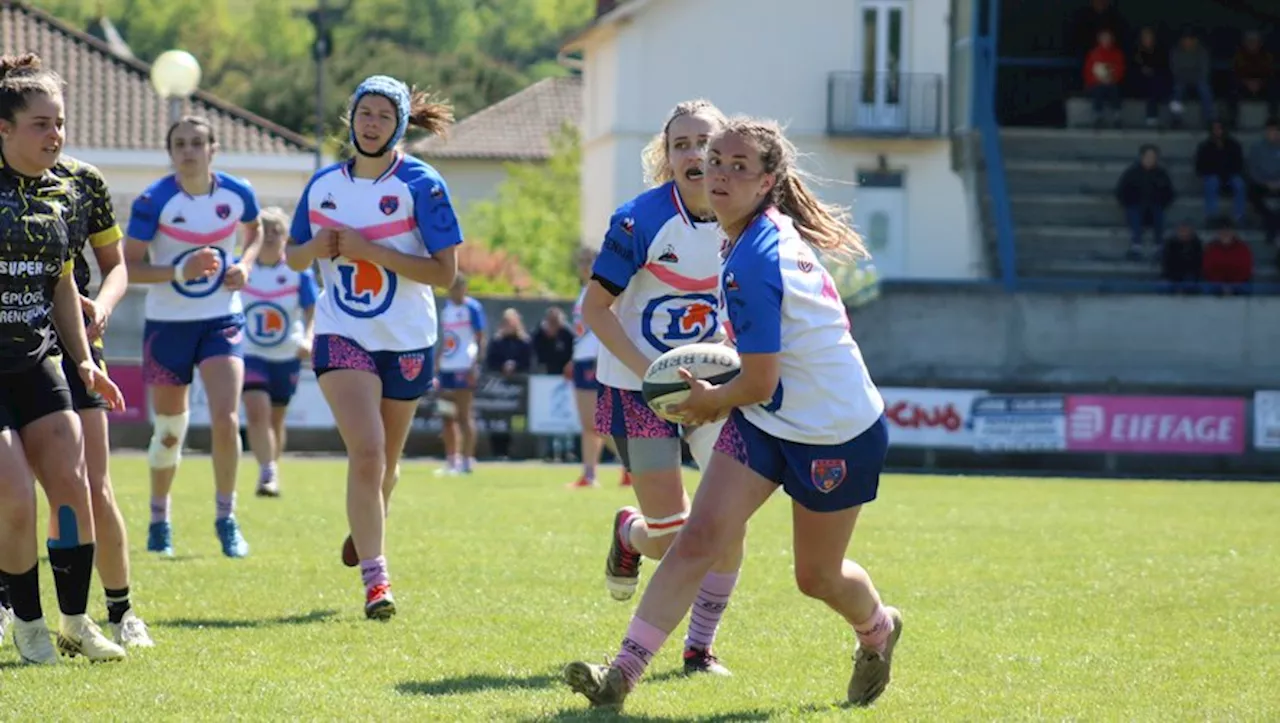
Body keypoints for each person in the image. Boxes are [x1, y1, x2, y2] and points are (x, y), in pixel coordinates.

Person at [563, 116, 900, 711]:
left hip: (834, 432)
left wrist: (703, 401)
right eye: (715, 160)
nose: (717, 173)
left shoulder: (754, 257)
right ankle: (619, 675)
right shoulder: (739, 236)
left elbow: (760, 378)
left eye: (737, 166)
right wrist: (714, 394)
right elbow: (761, 377)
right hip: (768, 419)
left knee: (816, 578)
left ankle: (878, 630)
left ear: (768, 181)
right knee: (697, 539)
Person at [287, 75, 460, 619]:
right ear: (350, 117)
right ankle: (377, 581)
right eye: (365, 112)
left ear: (400, 125)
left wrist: (370, 250)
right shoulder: (322, 186)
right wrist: (315, 247)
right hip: (341, 333)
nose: (372, 122)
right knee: (367, 451)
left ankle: (365, 527)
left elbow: (445, 275)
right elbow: (293, 258)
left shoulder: (422, 184)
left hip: (408, 339)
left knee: (386, 463)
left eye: (385, 115)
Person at [580, 99, 742, 676]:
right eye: (682, 145)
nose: (695, 154)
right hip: (636, 386)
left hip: (718, 385)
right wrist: (653, 375)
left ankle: (699, 650)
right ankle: (631, 533)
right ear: (666, 156)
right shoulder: (639, 219)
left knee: (727, 522)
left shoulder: (747, 216)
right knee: (674, 534)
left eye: (706, 143)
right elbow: (595, 308)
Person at [0, 52, 128, 663]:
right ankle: (26, 623)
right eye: (40, 124)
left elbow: (59, 283)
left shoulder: (65, 192)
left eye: (59, 123)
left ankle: (76, 622)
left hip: (41, 360)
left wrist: (83, 361)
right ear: (3, 128)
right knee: (14, 495)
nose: (55, 135)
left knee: (74, 488)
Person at [124, 115, 262, 559]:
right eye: (180, 144)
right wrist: (177, 271)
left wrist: (246, 265)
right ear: (171, 152)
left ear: (213, 149)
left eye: (197, 143)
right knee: (169, 430)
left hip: (221, 319)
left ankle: (227, 517)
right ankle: (159, 519)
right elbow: (128, 266)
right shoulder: (153, 201)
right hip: (168, 325)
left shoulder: (237, 192)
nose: (188, 151)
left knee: (225, 418)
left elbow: (254, 231)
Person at [240, 206, 317, 497]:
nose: (271, 236)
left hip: (287, 355)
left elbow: (312, 310)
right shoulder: (242, 269)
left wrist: (308, 338)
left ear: (286, 237)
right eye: (265, 230)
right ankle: (266, 472)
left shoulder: (299, 274)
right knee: (257, 412)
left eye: (277, 231)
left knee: (275, 419)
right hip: (250, 352)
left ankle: (272, 468)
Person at [567, 248, 620, 489]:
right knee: (587, 423)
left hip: (595, 358)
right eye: (582, 261)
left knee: (595, 422)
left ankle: (633, 462)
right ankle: (589, 474)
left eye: (590, 261)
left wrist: (604, 354)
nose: (585, 266)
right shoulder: (582, 292)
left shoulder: (604, 290)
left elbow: (610, 323)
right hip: (582, 358)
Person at [434, 274, 484, 476]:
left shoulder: (472, 308)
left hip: (464, 366)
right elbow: (446, 339)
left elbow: (480, 338)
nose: (455, 291)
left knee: (464, 415)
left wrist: (475, 364)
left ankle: (468, 460)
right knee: (447, 415)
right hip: (447, 366)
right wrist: (437, 361)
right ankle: (451, 460)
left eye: (459, 287)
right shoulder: (446, 309)